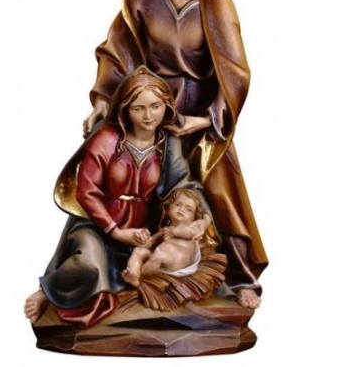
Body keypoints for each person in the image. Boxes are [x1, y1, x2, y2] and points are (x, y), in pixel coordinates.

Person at [83, 0, 268, 309]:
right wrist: (102, 100)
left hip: (201, 111)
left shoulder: (218, 5)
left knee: (219, 188)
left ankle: (240, 277)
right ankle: (109, 268)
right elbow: (118, 49)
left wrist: (204, 121)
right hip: (148, 104)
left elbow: (235, 72)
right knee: (112, 169)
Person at [24, 67, 218, 326]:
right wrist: (115, 231)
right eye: (138, 108)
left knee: (178, 262)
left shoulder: (168, 142)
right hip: (97, 226)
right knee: (90, 267)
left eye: (155, 107)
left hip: (143, 230)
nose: (148, 116)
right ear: (125, 109)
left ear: (167, 106)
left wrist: (204, 220)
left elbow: (184, 184)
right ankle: (48, 293)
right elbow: (87, 192)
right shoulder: (106, 139)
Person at [122, 188, 210, 288]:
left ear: (195, 217)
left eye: (189, 209)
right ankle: (134, 274)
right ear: (167, 209)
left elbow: (190, 233)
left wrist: (174, 232)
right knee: (139, 251)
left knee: (158, 256)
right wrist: (143, 239)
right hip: (159, 259)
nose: (181, 210)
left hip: (177, 262)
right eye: (178, 205)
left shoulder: (192, 227)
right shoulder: (166, 230)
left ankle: (142, 277)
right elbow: (150, 243)